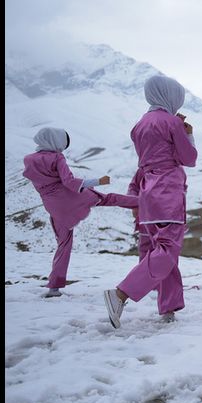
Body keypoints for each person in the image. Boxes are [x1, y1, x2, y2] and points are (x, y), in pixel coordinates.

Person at [103, 75, 197, 328]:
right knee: (167, 251)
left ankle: (169, 308)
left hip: (148, 194)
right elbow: (189, 158)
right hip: (168, 193)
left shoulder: (139, 125)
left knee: (162, 252)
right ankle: (120, 294)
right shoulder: (171, 122)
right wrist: (188, 134)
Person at [22, 127, 138, 298]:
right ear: (55, 141)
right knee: (109, 198)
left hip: (53, 206)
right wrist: (98, 181)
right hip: (71, 197)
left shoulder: (29, 160)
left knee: (63, 244)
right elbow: (69, 182)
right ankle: (142, 201)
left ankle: (54, 287)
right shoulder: (57, 157)